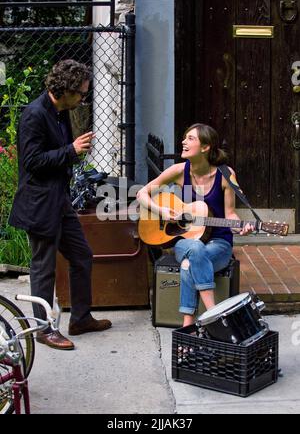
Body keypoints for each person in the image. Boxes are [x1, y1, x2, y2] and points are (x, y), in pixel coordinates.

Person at [9, 59, 112, 350]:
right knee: (44, 268)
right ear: (64, 89)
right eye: (80, 93)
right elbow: (32, 163)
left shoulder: (60, 111)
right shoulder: (34, 115)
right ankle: (43, 329)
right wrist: (71, 150)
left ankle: (80, 318)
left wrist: (72, 153)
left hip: (60, 200)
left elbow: (58, 155)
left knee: (82, 255)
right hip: (39, 203)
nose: (83, 98)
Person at [137, 123, 254, 327]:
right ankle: (215, 314)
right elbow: (142, 193)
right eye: (185, 137)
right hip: (185, 241)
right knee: (195, 246)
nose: (183, 141)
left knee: (187, 264)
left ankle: (187, 324)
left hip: (219, 243)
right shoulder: (179, 171)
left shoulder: (226, 175)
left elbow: (230, 214)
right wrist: (162, 211)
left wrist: (239, 226)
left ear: (205, 147)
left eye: (190, 138)